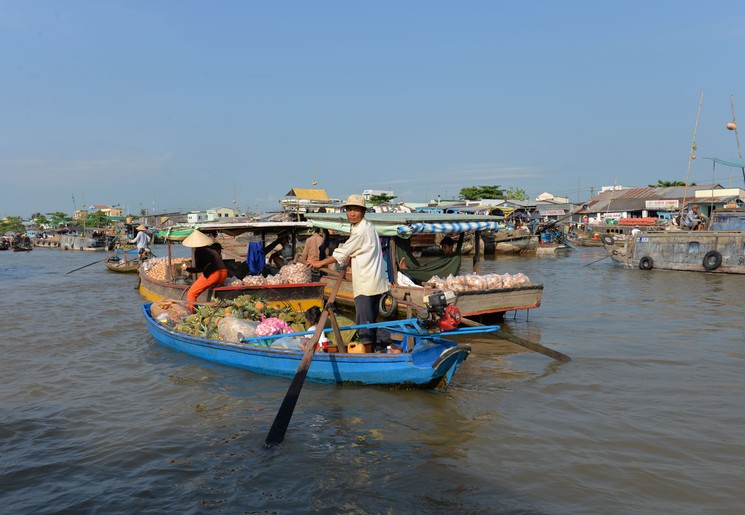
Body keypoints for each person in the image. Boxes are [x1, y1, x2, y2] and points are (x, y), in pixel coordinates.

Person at [308, 194, 388, 350]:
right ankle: (378, 351)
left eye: (356, 210)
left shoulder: (361, 230)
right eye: (349, 210)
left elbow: (342, 253)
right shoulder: (367, 226)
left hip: (366, 285)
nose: (352, 213)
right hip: (375, 282)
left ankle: (368, 357)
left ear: (363, 212)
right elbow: (356, 251)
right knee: (372, 321)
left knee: (364, 325)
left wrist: (320, 263)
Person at [183, 230, 228, 306]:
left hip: (214, 275)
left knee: (191, 293)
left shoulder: (199, 251)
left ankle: (192, 313)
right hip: (224, 273)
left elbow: (199, 269)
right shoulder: (211, 249)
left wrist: (187, 269)